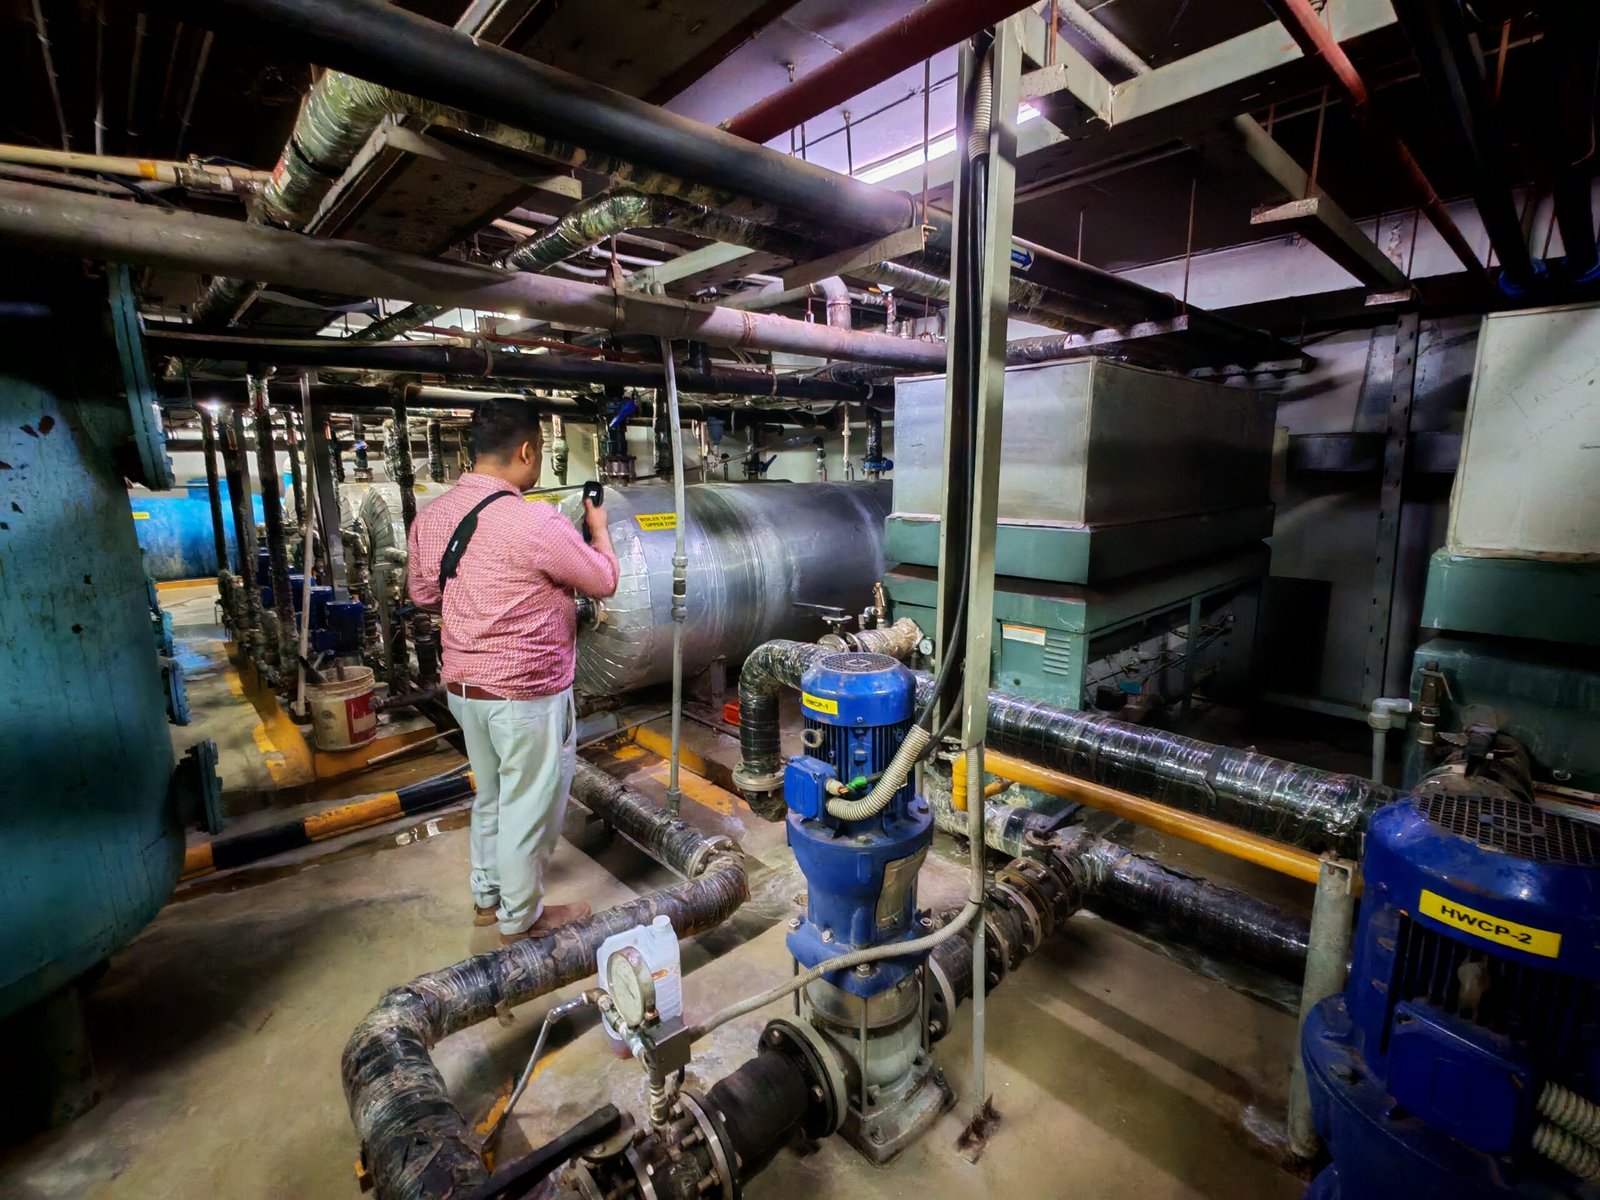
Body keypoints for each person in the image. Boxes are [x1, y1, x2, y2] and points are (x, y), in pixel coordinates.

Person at [407, 398, 619, 943]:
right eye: (541, 452)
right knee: (529, 805)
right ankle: (522, 918)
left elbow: (425, 595)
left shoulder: (432, 517)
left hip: (464, 688)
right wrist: (598, 529)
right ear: (526, 450)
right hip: (525, 695)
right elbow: (602, 581)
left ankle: (488, 895)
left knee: (494, 795)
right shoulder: (534, 520)